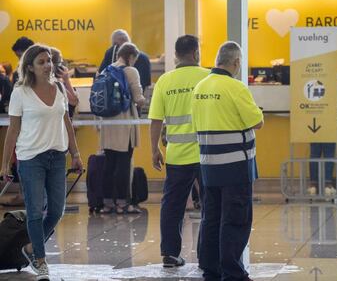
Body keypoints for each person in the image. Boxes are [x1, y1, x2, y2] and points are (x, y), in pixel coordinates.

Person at [0, 44, 83, 280]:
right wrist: (5, 164)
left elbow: (66, 122)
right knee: (35, 212)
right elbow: (13, 130)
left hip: (57, 156)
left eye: (49, 61)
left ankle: (29, 247)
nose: (47, 65)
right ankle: (39, 257)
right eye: (42, 62)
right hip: (30, 158)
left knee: (56, 211)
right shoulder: (20, 92)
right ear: (30, 67)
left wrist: (75, 153)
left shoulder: (58, 88)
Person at [192, 41, 264, 281]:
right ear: (235, 62)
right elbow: (257, 121)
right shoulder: (236, 88)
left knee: (211, 218)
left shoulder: (200, 87)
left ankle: (210, 268)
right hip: (235, 166)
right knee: (235, 219)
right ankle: (233, 272)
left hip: (208, 165)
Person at [148, 35, 209, 267]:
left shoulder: (165, 81)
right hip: (206, 155)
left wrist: (154, 150)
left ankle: (170, 254)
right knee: (209, 206)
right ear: (195, 53)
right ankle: (206, 255)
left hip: (176, 155)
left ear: (176, 54)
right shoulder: (208, 77)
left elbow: (155, 120)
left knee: (172, 206)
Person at [99, 42, 145, 214]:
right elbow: (138, 98)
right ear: (131, 56)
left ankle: (107, 203)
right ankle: (123, 203)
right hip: (125, 123)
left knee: (109, 164)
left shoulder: (106, 70)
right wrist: (143, 101)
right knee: (124, 164)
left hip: (108, 124)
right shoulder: (131, 71)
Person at [308, 76, 337, 196]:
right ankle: (328, 185)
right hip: (330, 114)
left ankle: (313, 186)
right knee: (329, 152)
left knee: (314, 152)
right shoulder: (331, 73)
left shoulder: (307, 72)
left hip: (312, 114)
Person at [50, 47, 79, 118]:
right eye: (60, 63)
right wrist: (66, 80)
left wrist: (65, 80)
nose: (63, 66)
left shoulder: (59, 82)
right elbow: (74, 101)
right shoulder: (54, 83)